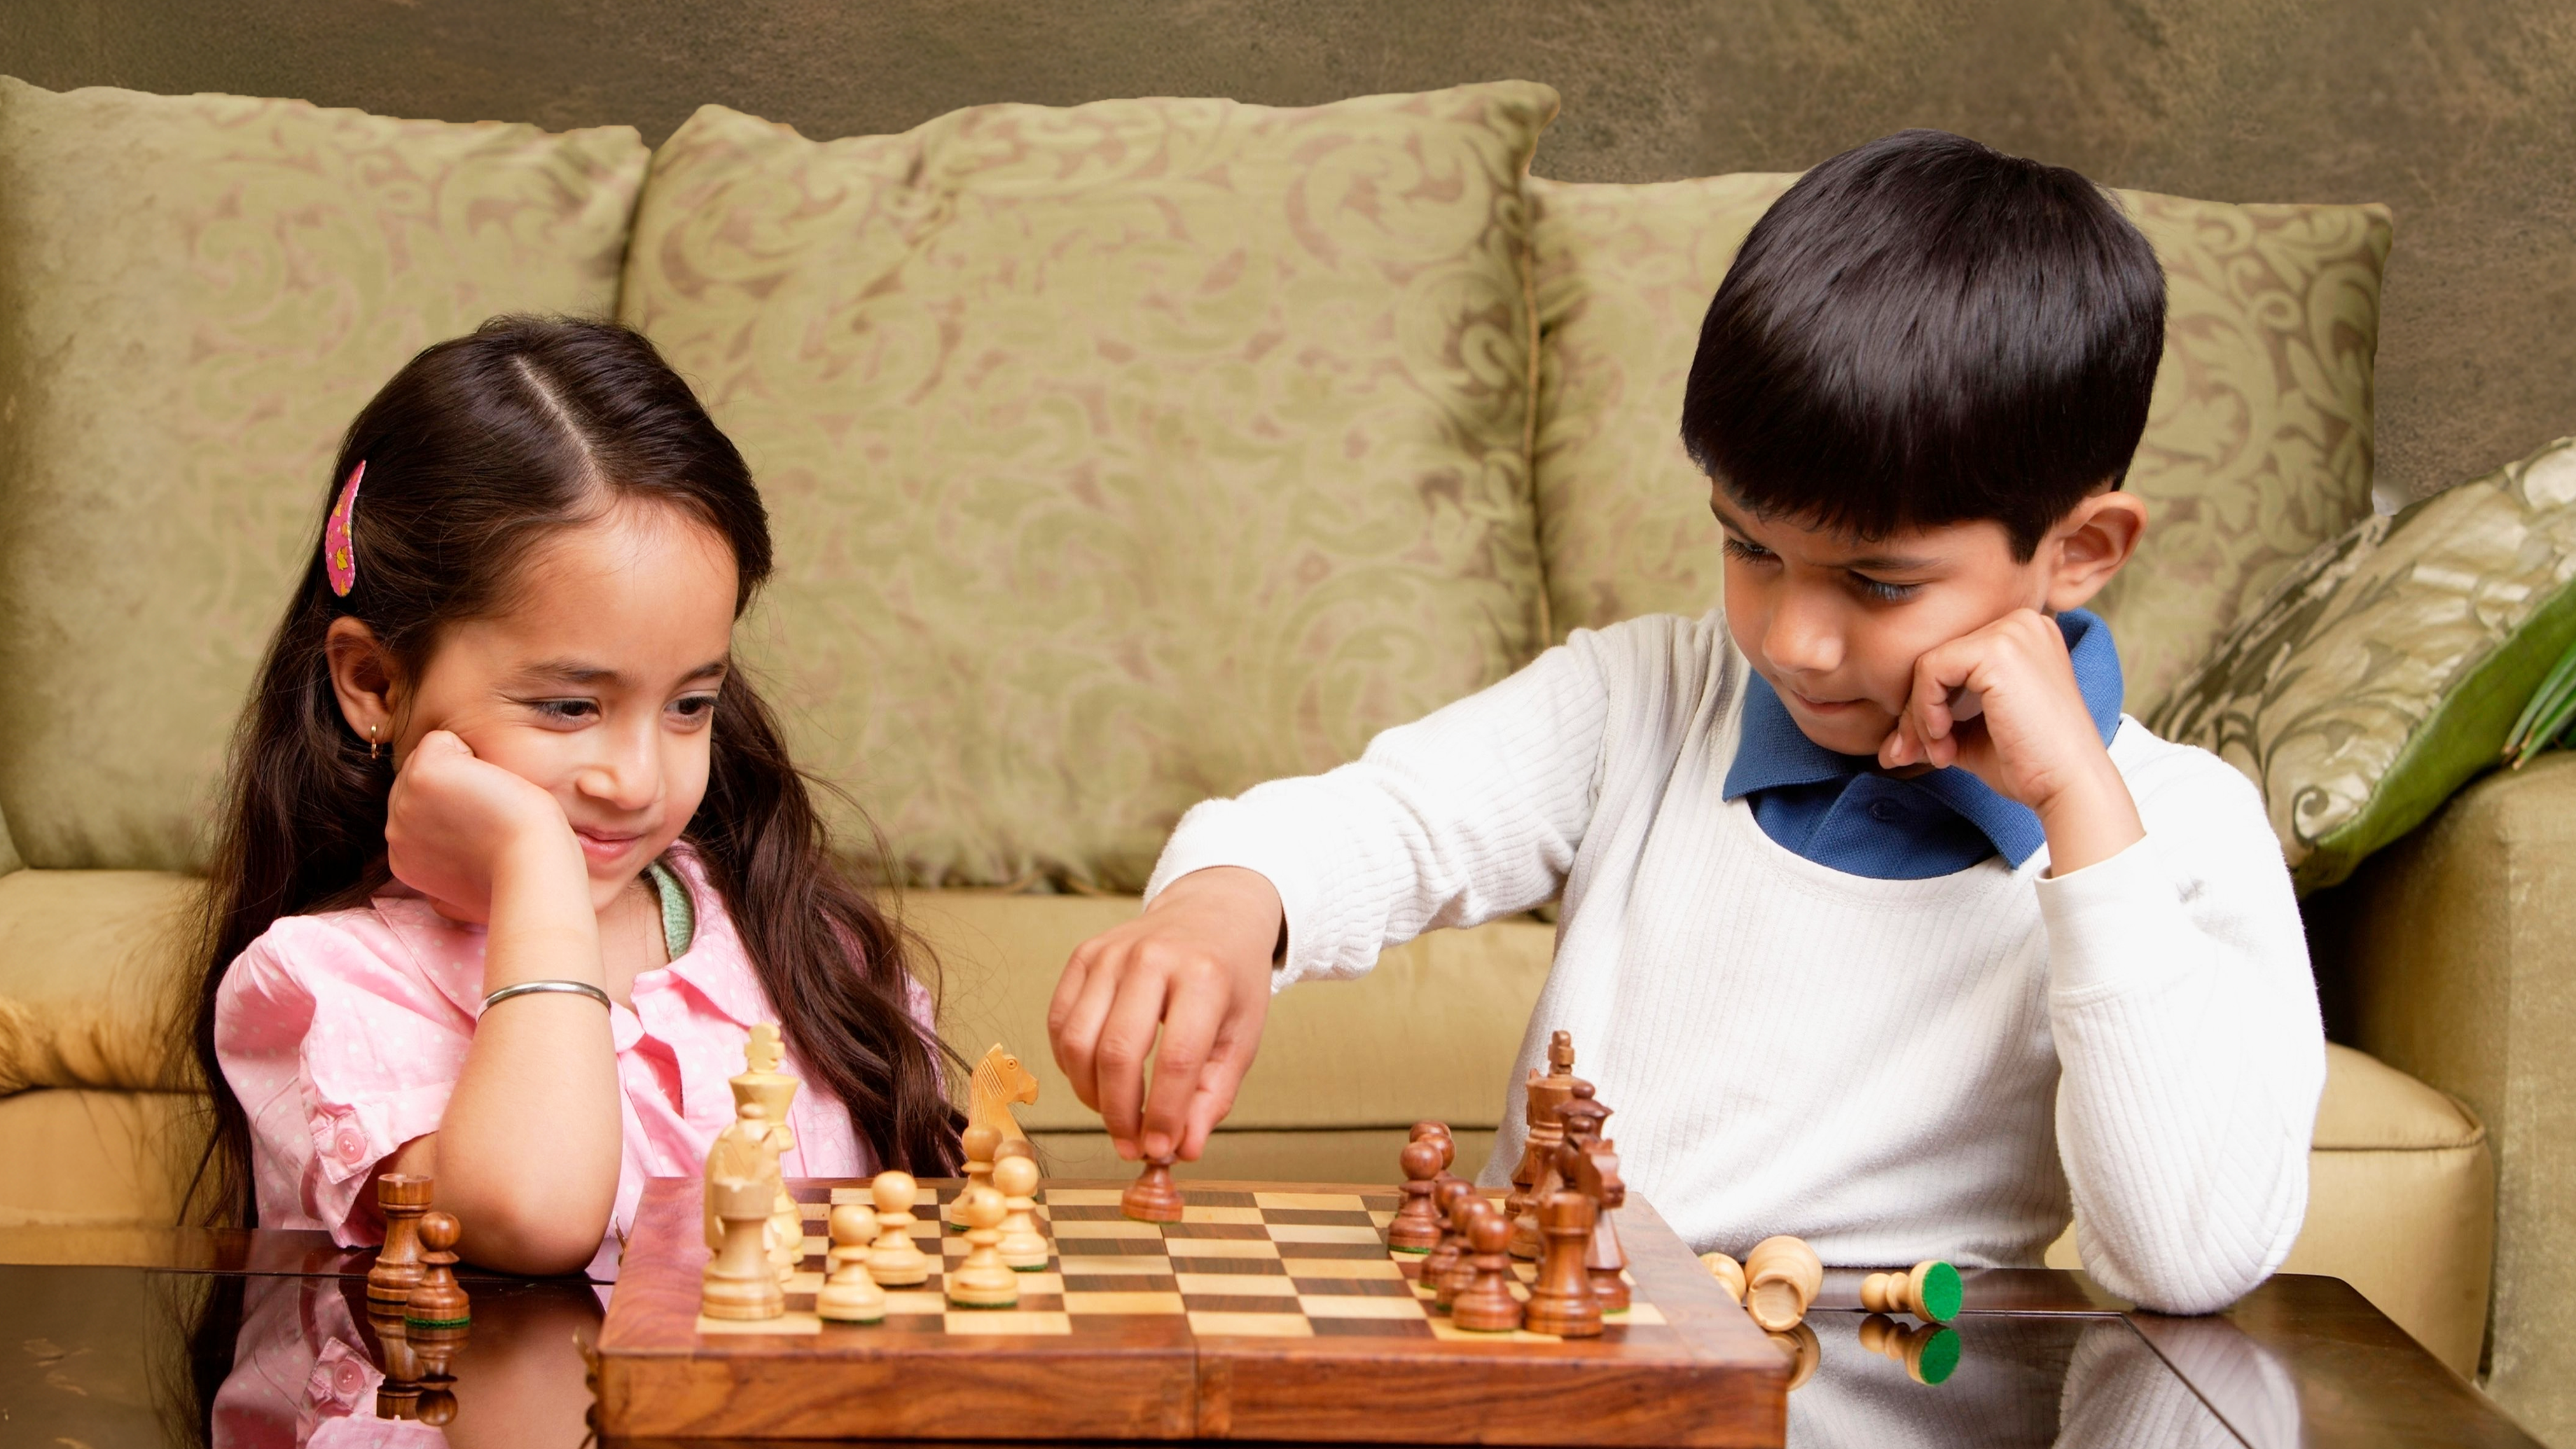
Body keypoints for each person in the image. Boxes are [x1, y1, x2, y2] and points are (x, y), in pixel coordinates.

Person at [1047, 130, 2324, 1314]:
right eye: (1749, 547)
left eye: (1879, 583)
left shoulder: (2181, 832)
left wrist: (2085, 818)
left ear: (2081, 550)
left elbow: (2187, 1255)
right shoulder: (1647, 700)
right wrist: (1226, 900)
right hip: (1561, 1369)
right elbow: (1388, 818)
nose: (1789, 638)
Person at [188, 317, 961, 1276]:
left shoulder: (791, 941)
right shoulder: (328, 988)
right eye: (567, 705)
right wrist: (534, 872)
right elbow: (530, 1216)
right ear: (375, 684)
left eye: (690, 703)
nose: (635, 779)